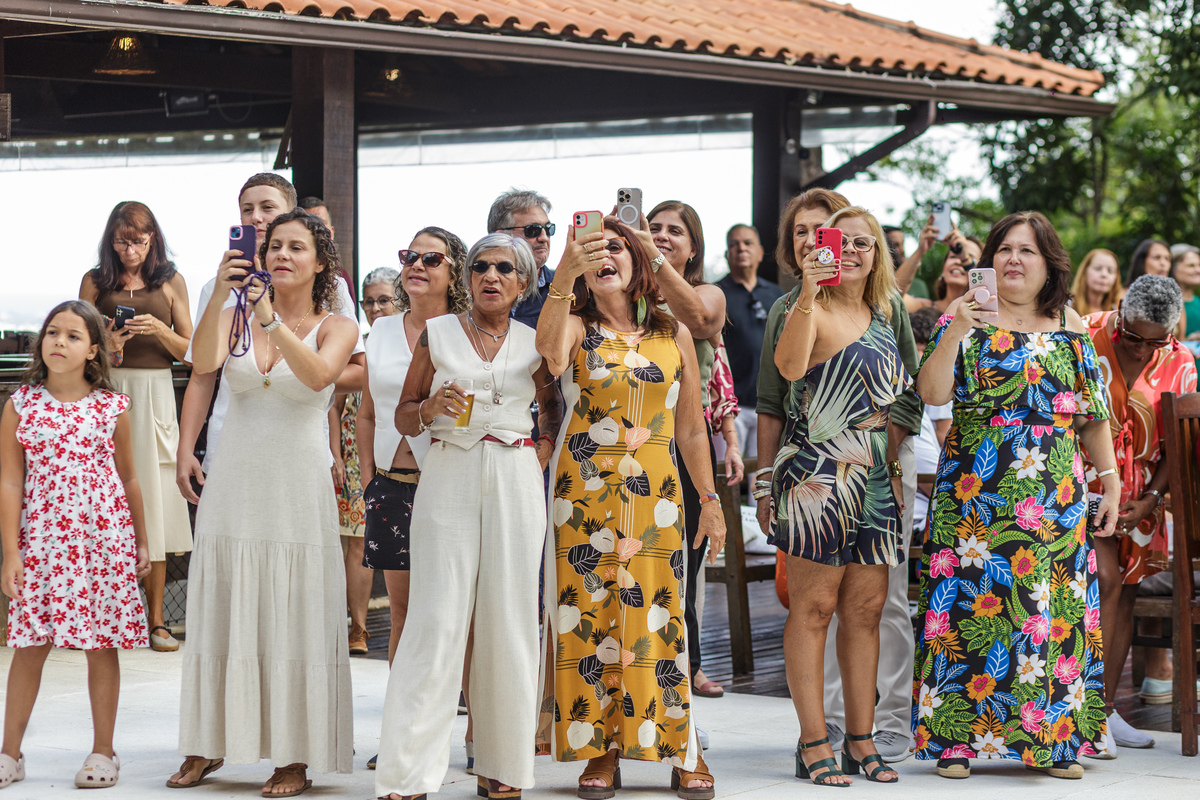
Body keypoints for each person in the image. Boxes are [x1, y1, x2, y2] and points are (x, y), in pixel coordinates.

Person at [913, 211, 1120, 780]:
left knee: (1049, 615)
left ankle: (1053, 743)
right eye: (1004, 249)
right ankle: (955, 740)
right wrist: (956, 327)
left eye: (1027, 250)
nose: (1013, 259)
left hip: (1056, 493)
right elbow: (931, 392)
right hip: (975, 491)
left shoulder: (1070, 322)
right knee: (967, 607)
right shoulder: (964, 317)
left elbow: (1092, 414)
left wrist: (1109, 480)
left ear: (1049, 263)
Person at [169, 210, 360, 796]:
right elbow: (203, 368)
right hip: (236, 475)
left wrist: (269, 318)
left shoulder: (336, 325)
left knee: (296, 610)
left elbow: (318, 377)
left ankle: (294, 756)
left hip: (298, 481)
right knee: (223, 604)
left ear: (320, 262)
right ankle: (206, 742)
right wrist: (222, 297)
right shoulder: (232, 315)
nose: (281, 254)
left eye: (297, 247)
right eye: (274, 245)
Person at [536, 215, 725, 800]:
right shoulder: (574, 325)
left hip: (658, 498)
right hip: (583, 496)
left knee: (661, 620)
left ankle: (682, 748)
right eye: (592, 249)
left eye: (616, 246)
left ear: (638, 258)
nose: (604, 256)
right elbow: (549, 356)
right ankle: (601, 748)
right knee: (590, 619)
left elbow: (691, 429)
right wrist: (563, 274)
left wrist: (710, 499)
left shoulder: (674, 333)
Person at [374, 233, 558, 800]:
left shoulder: (535, 342)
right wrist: (429, 408)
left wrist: (541, 447)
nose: (491, 276)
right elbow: (403, 414)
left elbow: (552, 405)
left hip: (515, 477)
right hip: (449, 469)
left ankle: (503, 765)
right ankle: (407, 772)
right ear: (468, 276)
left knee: (510, 618)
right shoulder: (437, 333)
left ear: (523, 283)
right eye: (480, 266)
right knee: (435, 616)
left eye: (504, 268)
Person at [755, 188, 924, 764]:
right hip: (816, 475)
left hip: (874, 478)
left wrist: (890, 465)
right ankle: (813, 743)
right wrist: (809, 288)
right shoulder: (804, 307)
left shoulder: (884, 314)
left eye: (862, 243)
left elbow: (906, 396)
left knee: (866, 611)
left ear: (877, 256)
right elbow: (787, 369)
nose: (849, 250)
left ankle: (861, 739)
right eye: (838, 240)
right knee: (814, 608)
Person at [0, 300, 151, 790]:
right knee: (29, 645)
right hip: (43, 545)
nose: (59, 342)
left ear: (92, 350)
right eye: (52, 333)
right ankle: (9, 754)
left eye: (72, 335)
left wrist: (142, 542)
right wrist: (11, 552)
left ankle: (104, 751)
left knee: (101, 645)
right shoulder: (21, 405)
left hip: (102, 545)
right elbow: (10, 483)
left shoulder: (111, 407)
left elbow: (130, 479)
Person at [175, 175, 363, 508]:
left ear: (291, 214)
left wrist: (289, 378)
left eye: (267, 208)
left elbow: (356, 371)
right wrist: (185, 447)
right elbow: (202, 374)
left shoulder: (330, 288)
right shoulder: (217, 288)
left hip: (300, 442)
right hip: (229, 439)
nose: (256, 218)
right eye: (247, 209)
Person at [357, 229, 470, 770]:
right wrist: (367, 480)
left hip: (445, 483)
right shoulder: (380, 330)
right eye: (410, 256)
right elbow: (366, 412)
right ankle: (401, 736)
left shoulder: (466, 330)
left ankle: (470, 735)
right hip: (389, 484)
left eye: (431, 258)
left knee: (453, 612)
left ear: (454, 272)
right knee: (401, 613)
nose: (417, 265)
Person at [1077, 275, 1196, 755]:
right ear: (1121, 311)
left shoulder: (1181, 360)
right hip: (1080, 480)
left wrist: (1149, 500)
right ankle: (1080, 711)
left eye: (1155, 342)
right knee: (1103, 580)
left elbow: (1177, 442)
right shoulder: (1083, 333)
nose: (1144, 349)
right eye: (1133, 337)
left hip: (1142, 495)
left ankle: (1104, 710)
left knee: (1125, 592)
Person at [79, 201, 193, 653]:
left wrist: (158, 330)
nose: (130, 251)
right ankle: (101, 615)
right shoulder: (95, 281)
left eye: (139, 242)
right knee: (103, 500)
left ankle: (156, 619)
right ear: (111, 240)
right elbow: (75, 343)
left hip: (155, 395)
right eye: (122, 242)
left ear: (153, 240)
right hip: (107, 392)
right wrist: (107, 344)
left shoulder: (171, 281)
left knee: (155, 503)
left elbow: (192, 351)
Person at [645, 201, 727, 703]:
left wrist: (651, 259)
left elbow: (698, 320)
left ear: (693, 247)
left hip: (686, 442)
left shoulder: (708, 293)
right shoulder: (622, 292)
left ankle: (687, 666)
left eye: (674, 231)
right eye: (652, 228)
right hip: (633, 441)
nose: (661, 235)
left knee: (684, 566)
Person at [335, 266, 401, 656]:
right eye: (369, 302)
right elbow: (335, 405)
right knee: (359, 542)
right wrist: (335, 454)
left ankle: (403, 624)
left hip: (401, 452)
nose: (375, 308)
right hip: (355, 453)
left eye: (384, 300)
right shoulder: (358, 346)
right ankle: (358, 628)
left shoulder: (415, 341)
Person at [716, 224, 783, 460]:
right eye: (734, 245)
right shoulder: (716, 294)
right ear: (727, 254)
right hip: (730, 405)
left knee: (763, 475)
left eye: (747, 243)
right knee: (725, 472)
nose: (741, 249)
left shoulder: (776, 295)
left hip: (768, 403)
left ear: (760, 252)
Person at [487, 188, 556, 330]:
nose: (544, 238)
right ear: (500, 237)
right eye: (533, 230)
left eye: (548, 229)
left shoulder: (567, 289)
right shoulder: (474, 289)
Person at [901, 226, 984, 315]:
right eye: (953, 256)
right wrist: (920, 251)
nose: (958, 261)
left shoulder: (986, 316)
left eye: (970, 257)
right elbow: (893, 298)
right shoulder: (922, 307)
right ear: (943, 271)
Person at [298, 196, 357, 307]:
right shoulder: (286, 274)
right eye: (308, 225)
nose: (315, 231)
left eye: (321, 224)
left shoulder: (340, 279)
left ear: (332, 232)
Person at [1070, 249, 1123, 317]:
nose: (1104, 274)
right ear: (1085, 272)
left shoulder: (1119, 312)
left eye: (1110, 271)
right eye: (1098, 268)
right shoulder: (1068, 307)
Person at [1169, 245, 1200, 340]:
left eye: (1199, 265)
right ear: (1173, 269)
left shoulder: (1198, 302)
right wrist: (1188, 341)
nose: (1198, 270)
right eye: (1191, 266)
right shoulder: (1167, 304)